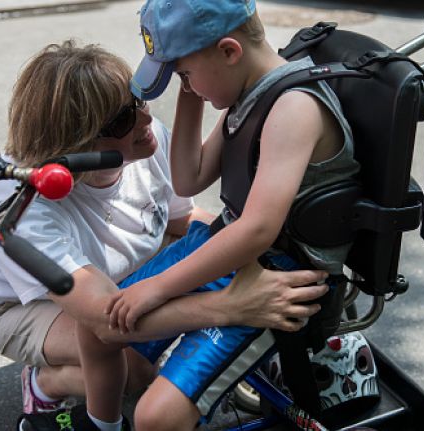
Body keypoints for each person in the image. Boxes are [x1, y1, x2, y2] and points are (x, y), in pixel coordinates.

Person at [0, 40, 328, 431]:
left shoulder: (145, 143)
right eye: (120, 121)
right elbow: (102, 323)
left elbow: (182, 221)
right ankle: (47, 382)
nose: (145, 121)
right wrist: (233, 306)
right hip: (17, 305)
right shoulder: (27, 203)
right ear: (75, 142)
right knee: (131, 370)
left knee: (147, 326)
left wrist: (254, 247)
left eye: (138, 100)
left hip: (107, 273)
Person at [102, 0, 362, 427]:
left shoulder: (293, 108)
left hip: (276, 277)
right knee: (115, 335)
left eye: (184, 75)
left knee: (156, 416)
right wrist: (191, 93)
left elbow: (258, 229)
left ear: (228, 51)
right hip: (231, 248)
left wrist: (159, 287)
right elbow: (188, 178)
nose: (187, 85)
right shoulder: (251, 96)